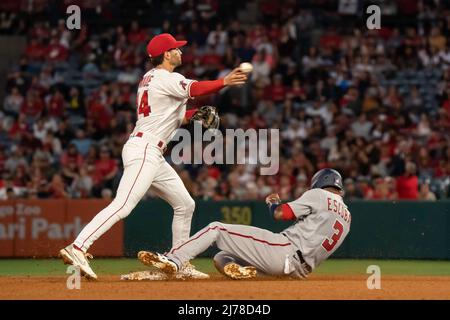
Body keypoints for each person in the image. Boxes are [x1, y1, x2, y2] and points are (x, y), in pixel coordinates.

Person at [60, 33, 248, 280]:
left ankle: (179, 262)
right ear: (166, 54)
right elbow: (196, 88)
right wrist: (224, 81)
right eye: (176, 49)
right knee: (123, 204)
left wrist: (191, 115)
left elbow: (166, 114)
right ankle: (78, 247)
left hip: (153, 152)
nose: (181, 52)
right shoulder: (165, 77)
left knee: (185, 204)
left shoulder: (150, 79)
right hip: (145, 149)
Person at [137, 168, 351, 280]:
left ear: (320, 183)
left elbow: (279, 214)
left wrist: (272, 202)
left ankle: (174, 260)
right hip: (299, 270)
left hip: (284, 251)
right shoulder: (347, 217)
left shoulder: (319, 195)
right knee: (222, 257)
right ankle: (242, 270)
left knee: (216, 229)